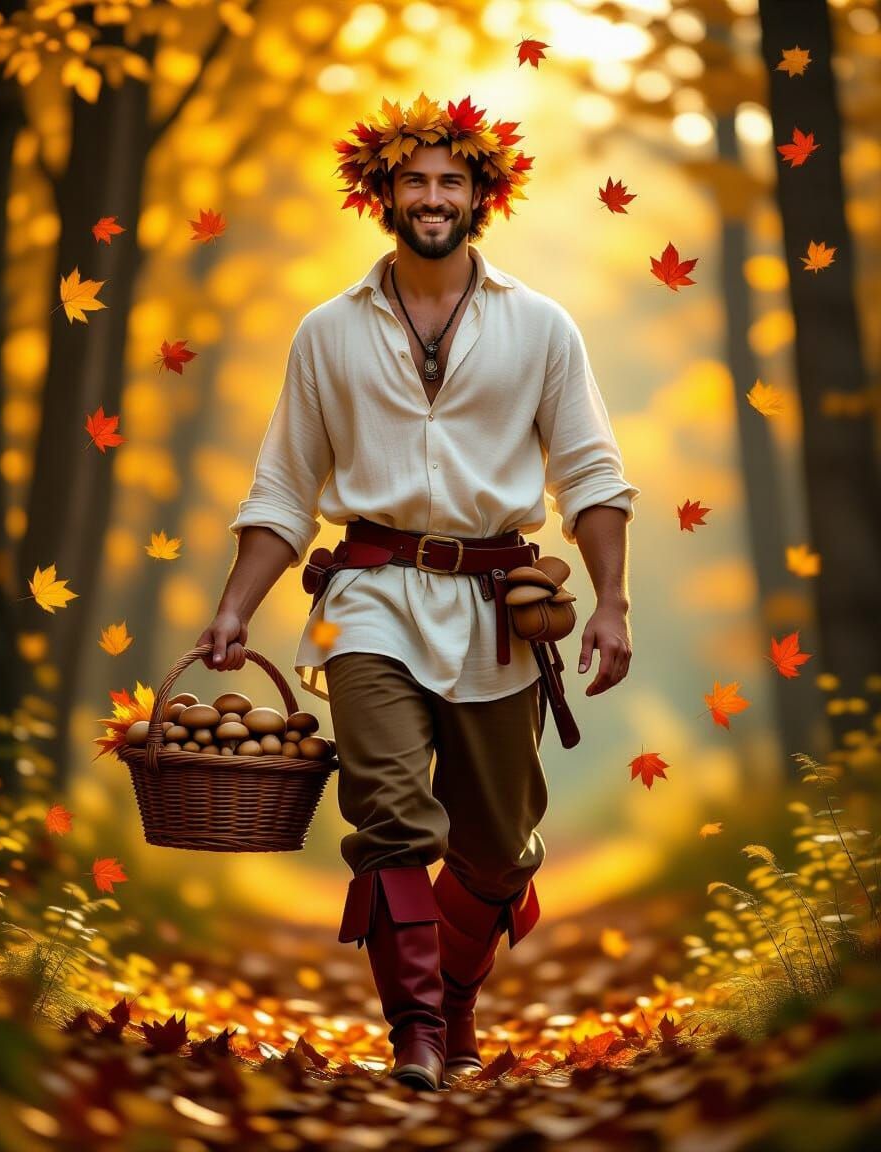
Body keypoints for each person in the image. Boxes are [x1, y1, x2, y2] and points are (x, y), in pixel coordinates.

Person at [196, 93, 641, 1093]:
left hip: (496, 610)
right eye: (413, 180)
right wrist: (235, 606)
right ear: (381, 192)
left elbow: (590, 474)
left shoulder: (540, 327)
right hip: (367, 599)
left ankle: (455, 991)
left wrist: (610, 601)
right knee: (392, 819)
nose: (432, 196)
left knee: (493, 849)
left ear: (480, 193)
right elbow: (281, 487)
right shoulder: (325, 333)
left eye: (450, 180)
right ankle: (417, 1032)